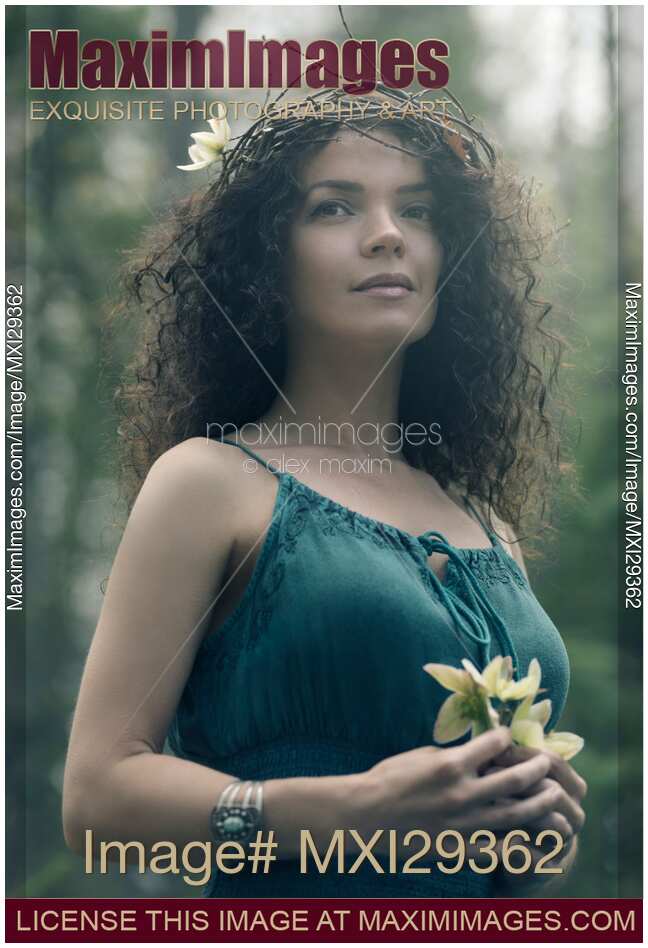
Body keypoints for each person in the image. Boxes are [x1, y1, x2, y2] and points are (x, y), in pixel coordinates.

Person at [62, 85, 587, 898]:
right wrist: (342, 810)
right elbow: (96, 797)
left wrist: (527, 844)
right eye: (336, 209)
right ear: (266, 255)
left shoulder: (488, 526)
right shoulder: (211, 482)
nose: (388, 237)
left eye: (417, 211)